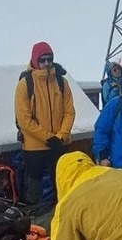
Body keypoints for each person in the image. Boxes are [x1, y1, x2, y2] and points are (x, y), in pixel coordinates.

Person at [14, 41, 76, 208]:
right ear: (35, 60)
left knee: (62, 183)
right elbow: (24, 120)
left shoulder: (61, 82)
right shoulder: (25, 84)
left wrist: (61, 136)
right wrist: (49, 138)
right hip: (34, 147)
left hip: (59, 143)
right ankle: (32, 217)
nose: (47, 63)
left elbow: (69, 112)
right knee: (33, 187)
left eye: (50, 59)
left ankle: (62, 214)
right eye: (42, 60)